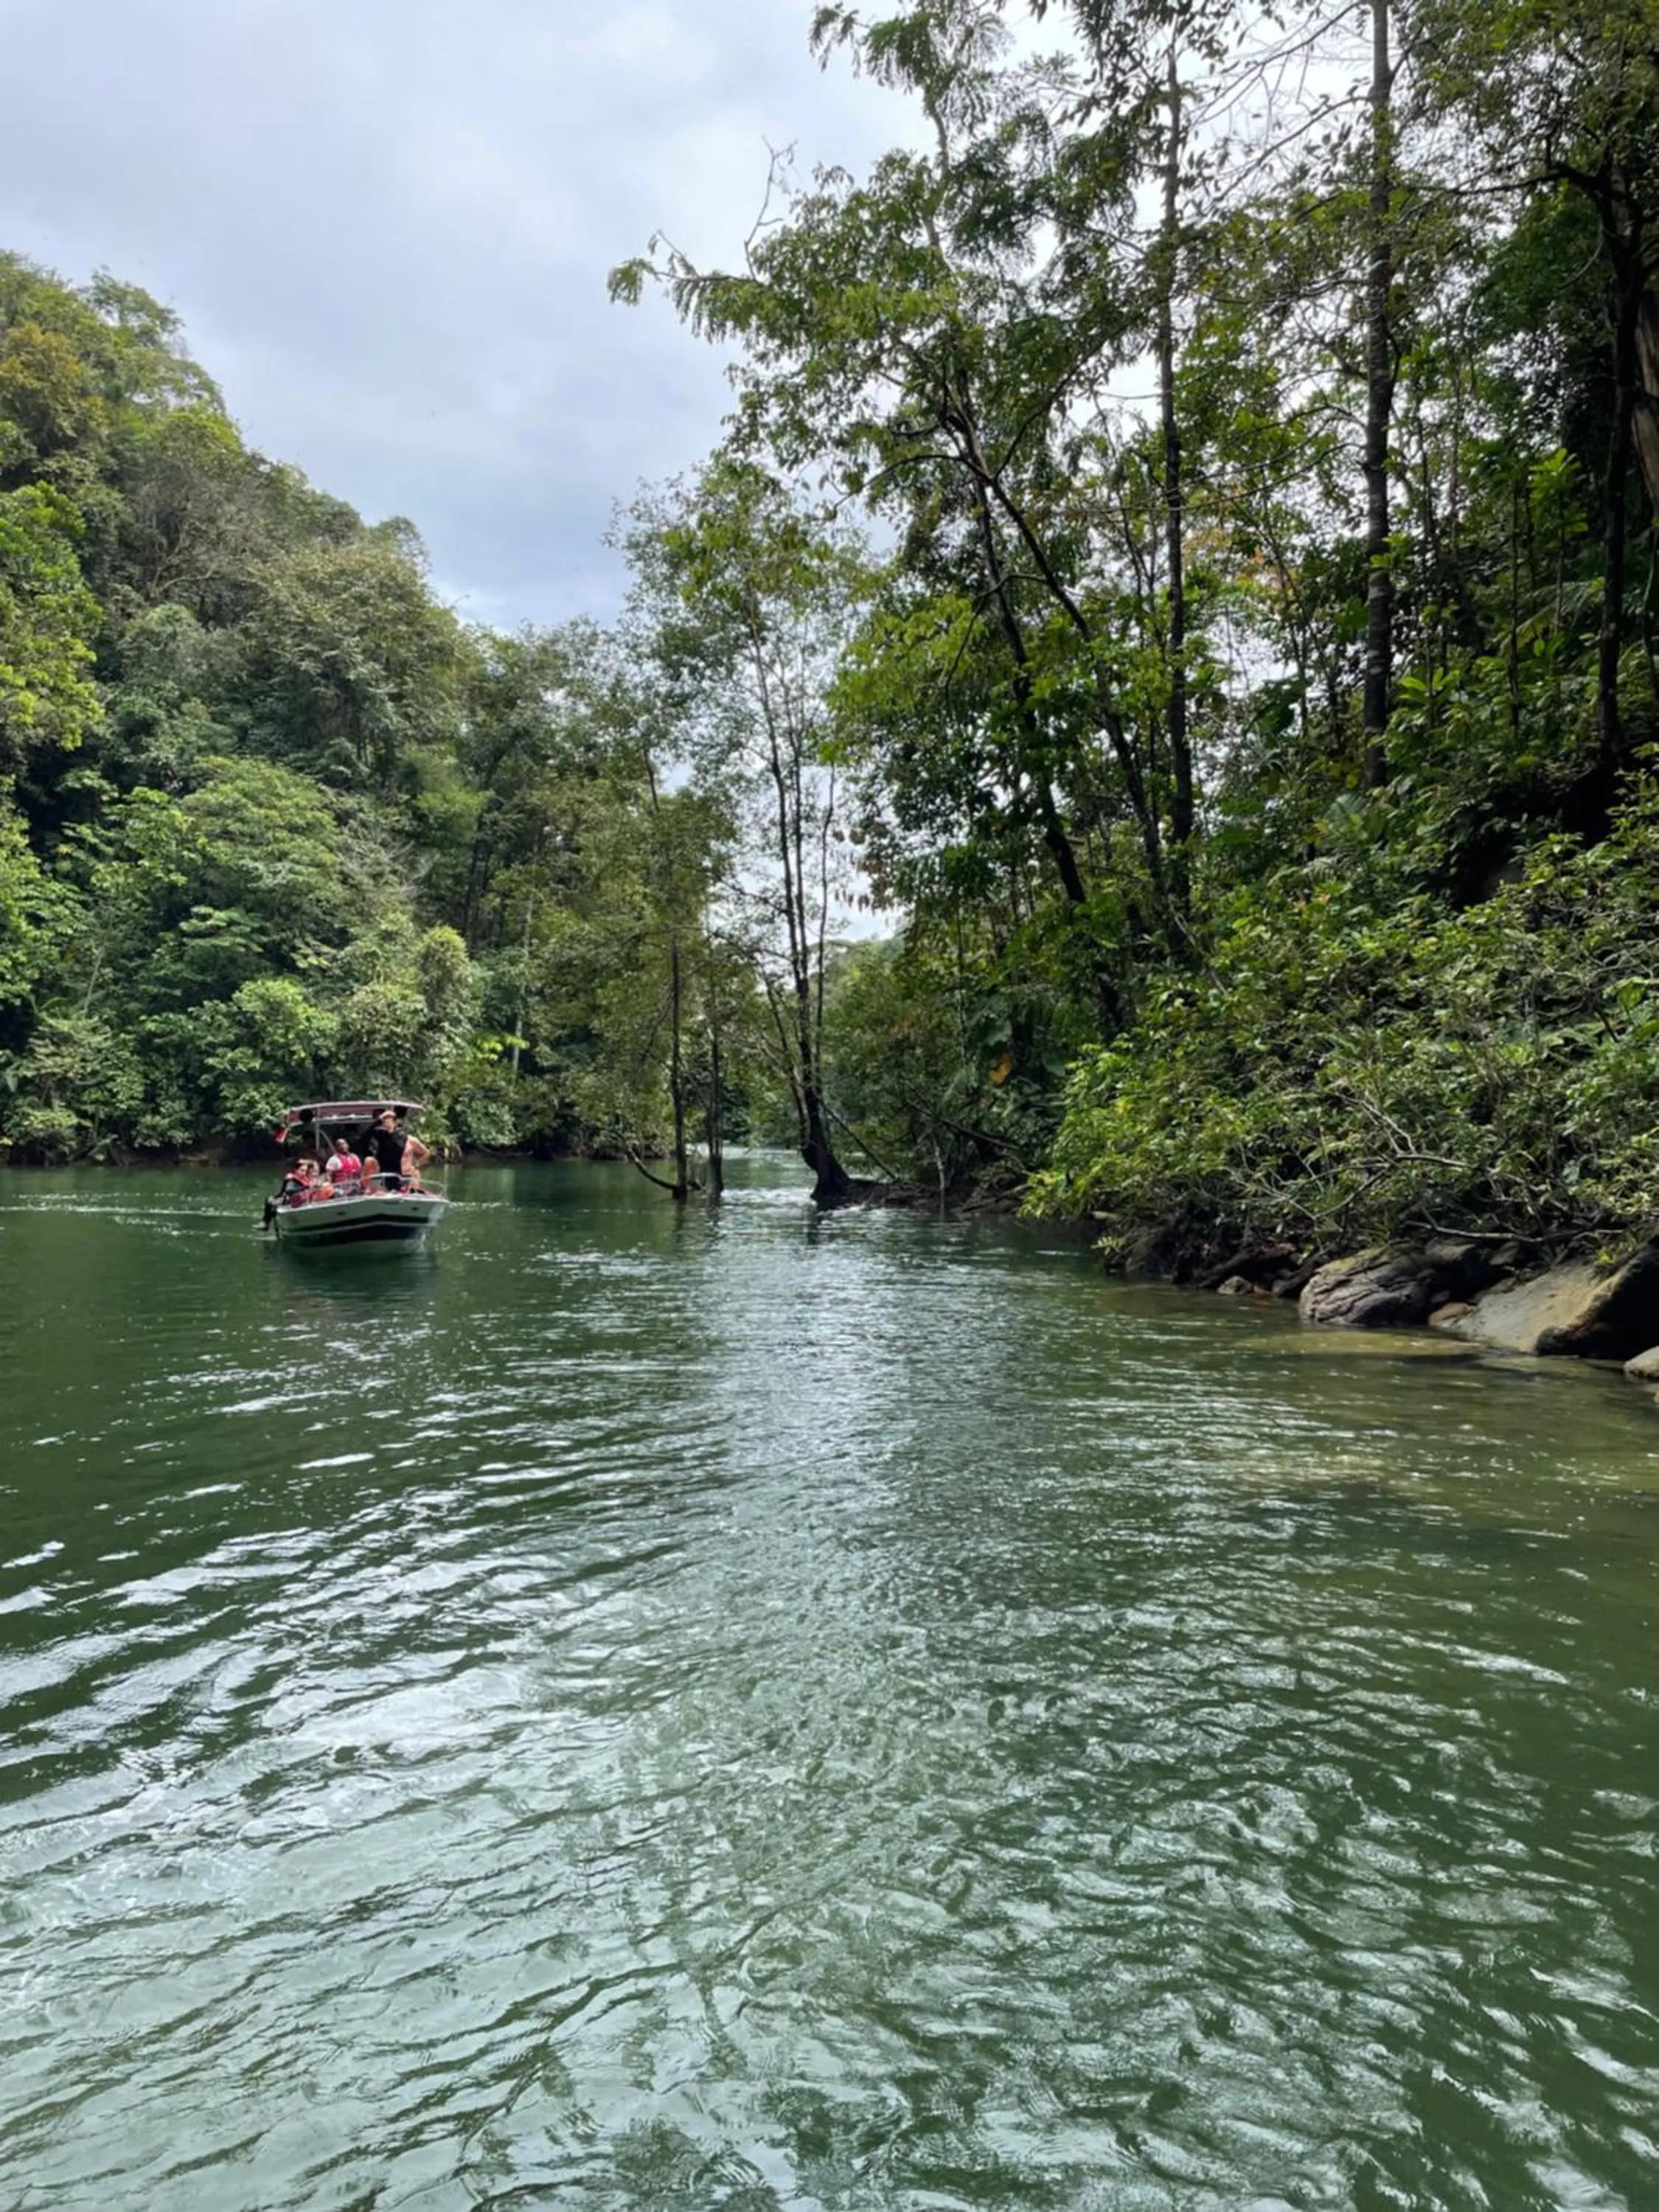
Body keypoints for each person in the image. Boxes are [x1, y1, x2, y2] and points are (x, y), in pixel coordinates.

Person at [370, 1110, 430, 1191]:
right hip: (385, 1175)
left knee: (411, 1180)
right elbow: (367, 1133)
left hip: (403, 1176)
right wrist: (380, 1118)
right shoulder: (381, 1136)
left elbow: (426, 1153)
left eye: (389, 1120)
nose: (386, 1123)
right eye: (384, 1121)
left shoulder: (410, 1139)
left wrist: (416, 1166)